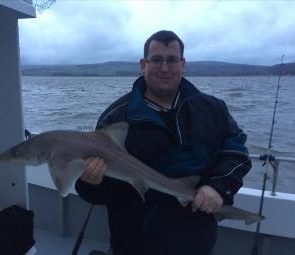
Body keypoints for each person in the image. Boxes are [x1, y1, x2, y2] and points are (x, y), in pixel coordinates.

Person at [75, 30, 251, 255]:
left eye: (172, 60)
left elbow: (237, 153)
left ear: (183, 64)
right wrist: (91, 181)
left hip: (196, 242)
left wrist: (218, 187)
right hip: (134, 243)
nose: (165, 68)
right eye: (157, 60)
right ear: (143, 64)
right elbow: (97, 195)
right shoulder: (116, 119)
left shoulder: (213, 109)